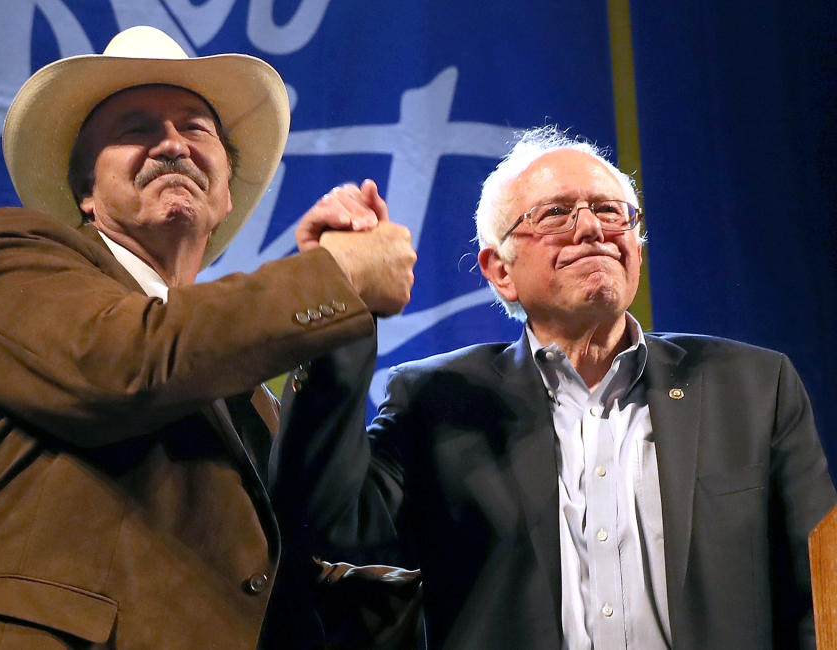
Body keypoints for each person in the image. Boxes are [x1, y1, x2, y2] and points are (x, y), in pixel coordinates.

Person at [0, 26, 415, 649]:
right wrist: (335, 276)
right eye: (135, 128)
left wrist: (340, 314)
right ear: (86, 195)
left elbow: (297, 535)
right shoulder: (8, 256)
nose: (171, 145)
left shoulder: (239, 383)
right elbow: (125, 362)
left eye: (195, 129)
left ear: (226, 193)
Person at [271, 125, 837, 649]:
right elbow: (323, 523)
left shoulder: (755, 387)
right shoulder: (436, 402)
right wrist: (334, 302)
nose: (591, 227)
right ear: (500, 271)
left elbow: (822, 589)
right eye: (558, 214)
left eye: (611, 212)